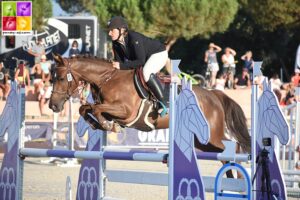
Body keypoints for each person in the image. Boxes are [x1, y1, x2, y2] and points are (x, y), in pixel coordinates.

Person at [107, 16, 168, 115]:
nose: (109, 33)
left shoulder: (134, 38)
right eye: (109, 31)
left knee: (146, 72)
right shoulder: (116, 43)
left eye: (112, 30)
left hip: (158, 54)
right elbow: (120, 63)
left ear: (121, 30)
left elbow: (140, 61)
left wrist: (121, 66)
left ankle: (163, 103)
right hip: (145, 59)